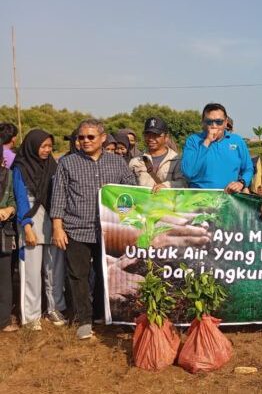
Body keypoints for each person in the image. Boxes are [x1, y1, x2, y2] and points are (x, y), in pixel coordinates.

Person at [51, 119, 136, 340]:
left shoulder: (117, 163)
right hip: (77, 228)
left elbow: (131, 192)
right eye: (81, 137)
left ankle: (102, 314)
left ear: (103, 138)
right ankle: (84, 320)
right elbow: (59, 197)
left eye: (90, 137)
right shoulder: (67, 163)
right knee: (78, 275)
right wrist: (57, 227)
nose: (85, 141)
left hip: (110, 231)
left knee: (106, 274)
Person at [12, 129, 66, 330]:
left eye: (50, 146)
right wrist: (26, 227)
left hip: (53, 222)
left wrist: (58, 224)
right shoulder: (20, 167)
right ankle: (31, 315)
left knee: (55, 269)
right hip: (31, 222)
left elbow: (59, 194)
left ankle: (55, 307)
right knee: (31, 272)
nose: (47, 150)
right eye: (43, 146)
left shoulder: (53, 166)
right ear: (32, 146)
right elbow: (20, 198)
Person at [181, 103, 253, 192]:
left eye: (219, 122)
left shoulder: (237, 141)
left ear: (226, 122)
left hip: (230, 197)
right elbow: (188, 173)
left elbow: (248, 169)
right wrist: (206, 142)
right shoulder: (193, 141)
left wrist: (241, 183)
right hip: (199, 198)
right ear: (203, 122)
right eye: (209, 122)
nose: (214, 126)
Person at [129, 117, 186, 191]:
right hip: (143, 202)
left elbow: (183, 183)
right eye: (147, 134)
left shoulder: (177, 160)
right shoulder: (135, 161)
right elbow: (129, 187)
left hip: (167, 202)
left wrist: (166, 185)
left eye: (156, 135)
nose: (151, 138)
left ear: (166, 137)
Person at [0, 160, 17, 332]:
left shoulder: (8, 175)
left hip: (3, 232)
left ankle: (3, 320)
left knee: (4, 278)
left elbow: (13, 198)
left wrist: (10, 209)